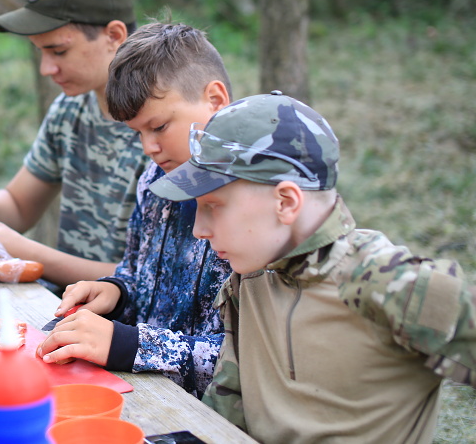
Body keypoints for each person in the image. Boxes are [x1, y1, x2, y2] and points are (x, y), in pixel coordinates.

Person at [149, 91, 476, 443]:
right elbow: (228, 413)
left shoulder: (389, 282)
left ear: (286, 202)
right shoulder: (249, 278)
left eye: (213, 206)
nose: (199, 229)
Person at [36, 22, 233, 397]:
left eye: (159, 126)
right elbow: (136, 274)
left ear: (215, 99)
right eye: (137, 133)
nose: (149, 147)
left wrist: (127, 345)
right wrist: (116, 294)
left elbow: (247, 360)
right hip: (144, 393)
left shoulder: (255, 203)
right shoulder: (154, 182)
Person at [0, 0, 150, 287]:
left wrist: (26, 251)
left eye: (58, 51)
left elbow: (147, 282)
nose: (46, 69)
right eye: (40, 52)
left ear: (114, 35)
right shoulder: (70, 110)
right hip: (66, 303)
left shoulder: (160, 129)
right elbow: (20, 206)